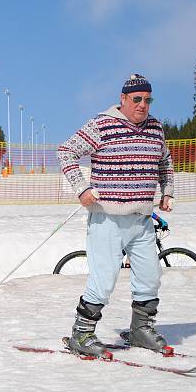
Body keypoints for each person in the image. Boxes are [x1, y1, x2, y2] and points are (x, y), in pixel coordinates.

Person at [57, 74, 175, 357]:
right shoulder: (101, 124)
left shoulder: (155, 128)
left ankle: (140, 329)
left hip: (142, 218)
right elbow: (66, 152)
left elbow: (165, 161)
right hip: (107, 218)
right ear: (123, 99)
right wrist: (82, 189)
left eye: (148, 100)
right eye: (137, 99)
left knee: (150, 276)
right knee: (104, 279)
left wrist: (167, 191)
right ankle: (82, 335)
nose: (143, 105)